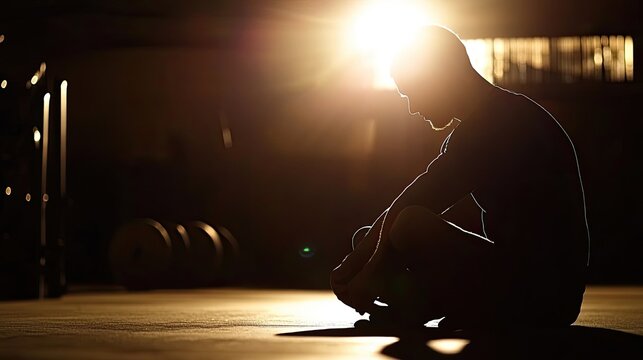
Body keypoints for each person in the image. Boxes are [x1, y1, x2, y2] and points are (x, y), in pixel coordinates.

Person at [330, 25, 590, 329]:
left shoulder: (493, 126)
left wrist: (366, 270)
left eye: (414, 93)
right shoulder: (502, 114)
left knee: (406, 227)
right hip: (542, 288)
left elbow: (413, 204)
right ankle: (429, 306)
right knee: (372, 238)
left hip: (542, 296)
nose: (414, 109)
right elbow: (405, 205)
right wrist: (357, 265)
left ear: (442, 78)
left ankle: (427, 305)